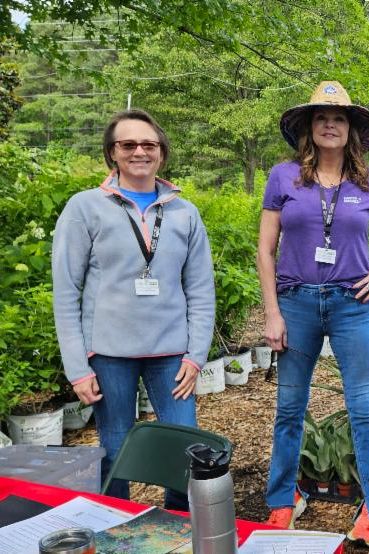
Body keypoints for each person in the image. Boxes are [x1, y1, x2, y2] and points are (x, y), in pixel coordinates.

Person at [257, 81, 369, 547]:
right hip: (296, 303)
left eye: (340, 118)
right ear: (310, 128)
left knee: (364, 409)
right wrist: (272, 311)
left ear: (351, 130)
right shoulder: (283, 177)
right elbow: (266, 251)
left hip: (353, 305)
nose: (331, 124)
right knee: (290, 409)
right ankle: (281, 501)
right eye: (322, 117)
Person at [52, 110, 215, 509]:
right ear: (113, 153)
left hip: (172, 355)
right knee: (114, 448)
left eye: (149, 144)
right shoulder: (85, 207)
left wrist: (196, 357)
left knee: (186, 446)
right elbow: (66, 291)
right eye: (128, 144)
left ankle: (179, 526)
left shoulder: (184, 213)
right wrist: (77, 368)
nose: (139, 151)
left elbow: (200, 289)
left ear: (161, 153)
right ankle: (115, 530)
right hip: (108, 354)